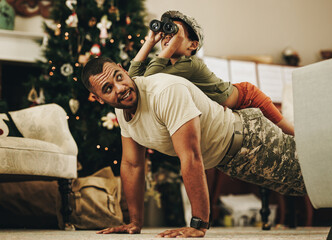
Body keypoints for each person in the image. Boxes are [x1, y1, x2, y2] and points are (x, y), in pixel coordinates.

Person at [81, 57, 306, 238]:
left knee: (315, 177)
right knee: (302, 187)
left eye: (119, 77)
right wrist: (134, 222)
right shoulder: (122, 110)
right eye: (108, 88)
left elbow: (190, 156)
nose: (120, 88)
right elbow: (132, 164)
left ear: (123, 69)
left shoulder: (164, 92)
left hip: (251, 138)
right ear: (98, 98)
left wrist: (198, 224)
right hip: (232, 161)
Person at [128, 10, 295, 136]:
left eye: (175, 33)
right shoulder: (166, 69)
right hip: (236, 110)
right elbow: (135, 79)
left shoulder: (189, 64)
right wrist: (150, 41)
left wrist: (170, 46)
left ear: (192, 45)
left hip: (249, 98)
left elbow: (149, 80)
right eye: (165, 33)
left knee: (291, 133)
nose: (167, 38)